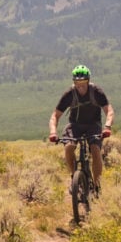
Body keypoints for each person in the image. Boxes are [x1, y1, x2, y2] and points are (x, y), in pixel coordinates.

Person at [48, 64, 115, 192]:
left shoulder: (96, 91)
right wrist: (53, 132)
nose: (80, 86)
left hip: (93, 124)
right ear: (74, 82)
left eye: (83, 83)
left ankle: (96, 185)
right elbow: (55, 116)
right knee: (68, 147)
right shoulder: (69, 94)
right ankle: (74, 178)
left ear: (88, 81)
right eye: (77, 83)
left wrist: (107, 127)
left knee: (95, 149)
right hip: (75, 125)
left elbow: (109, 111)